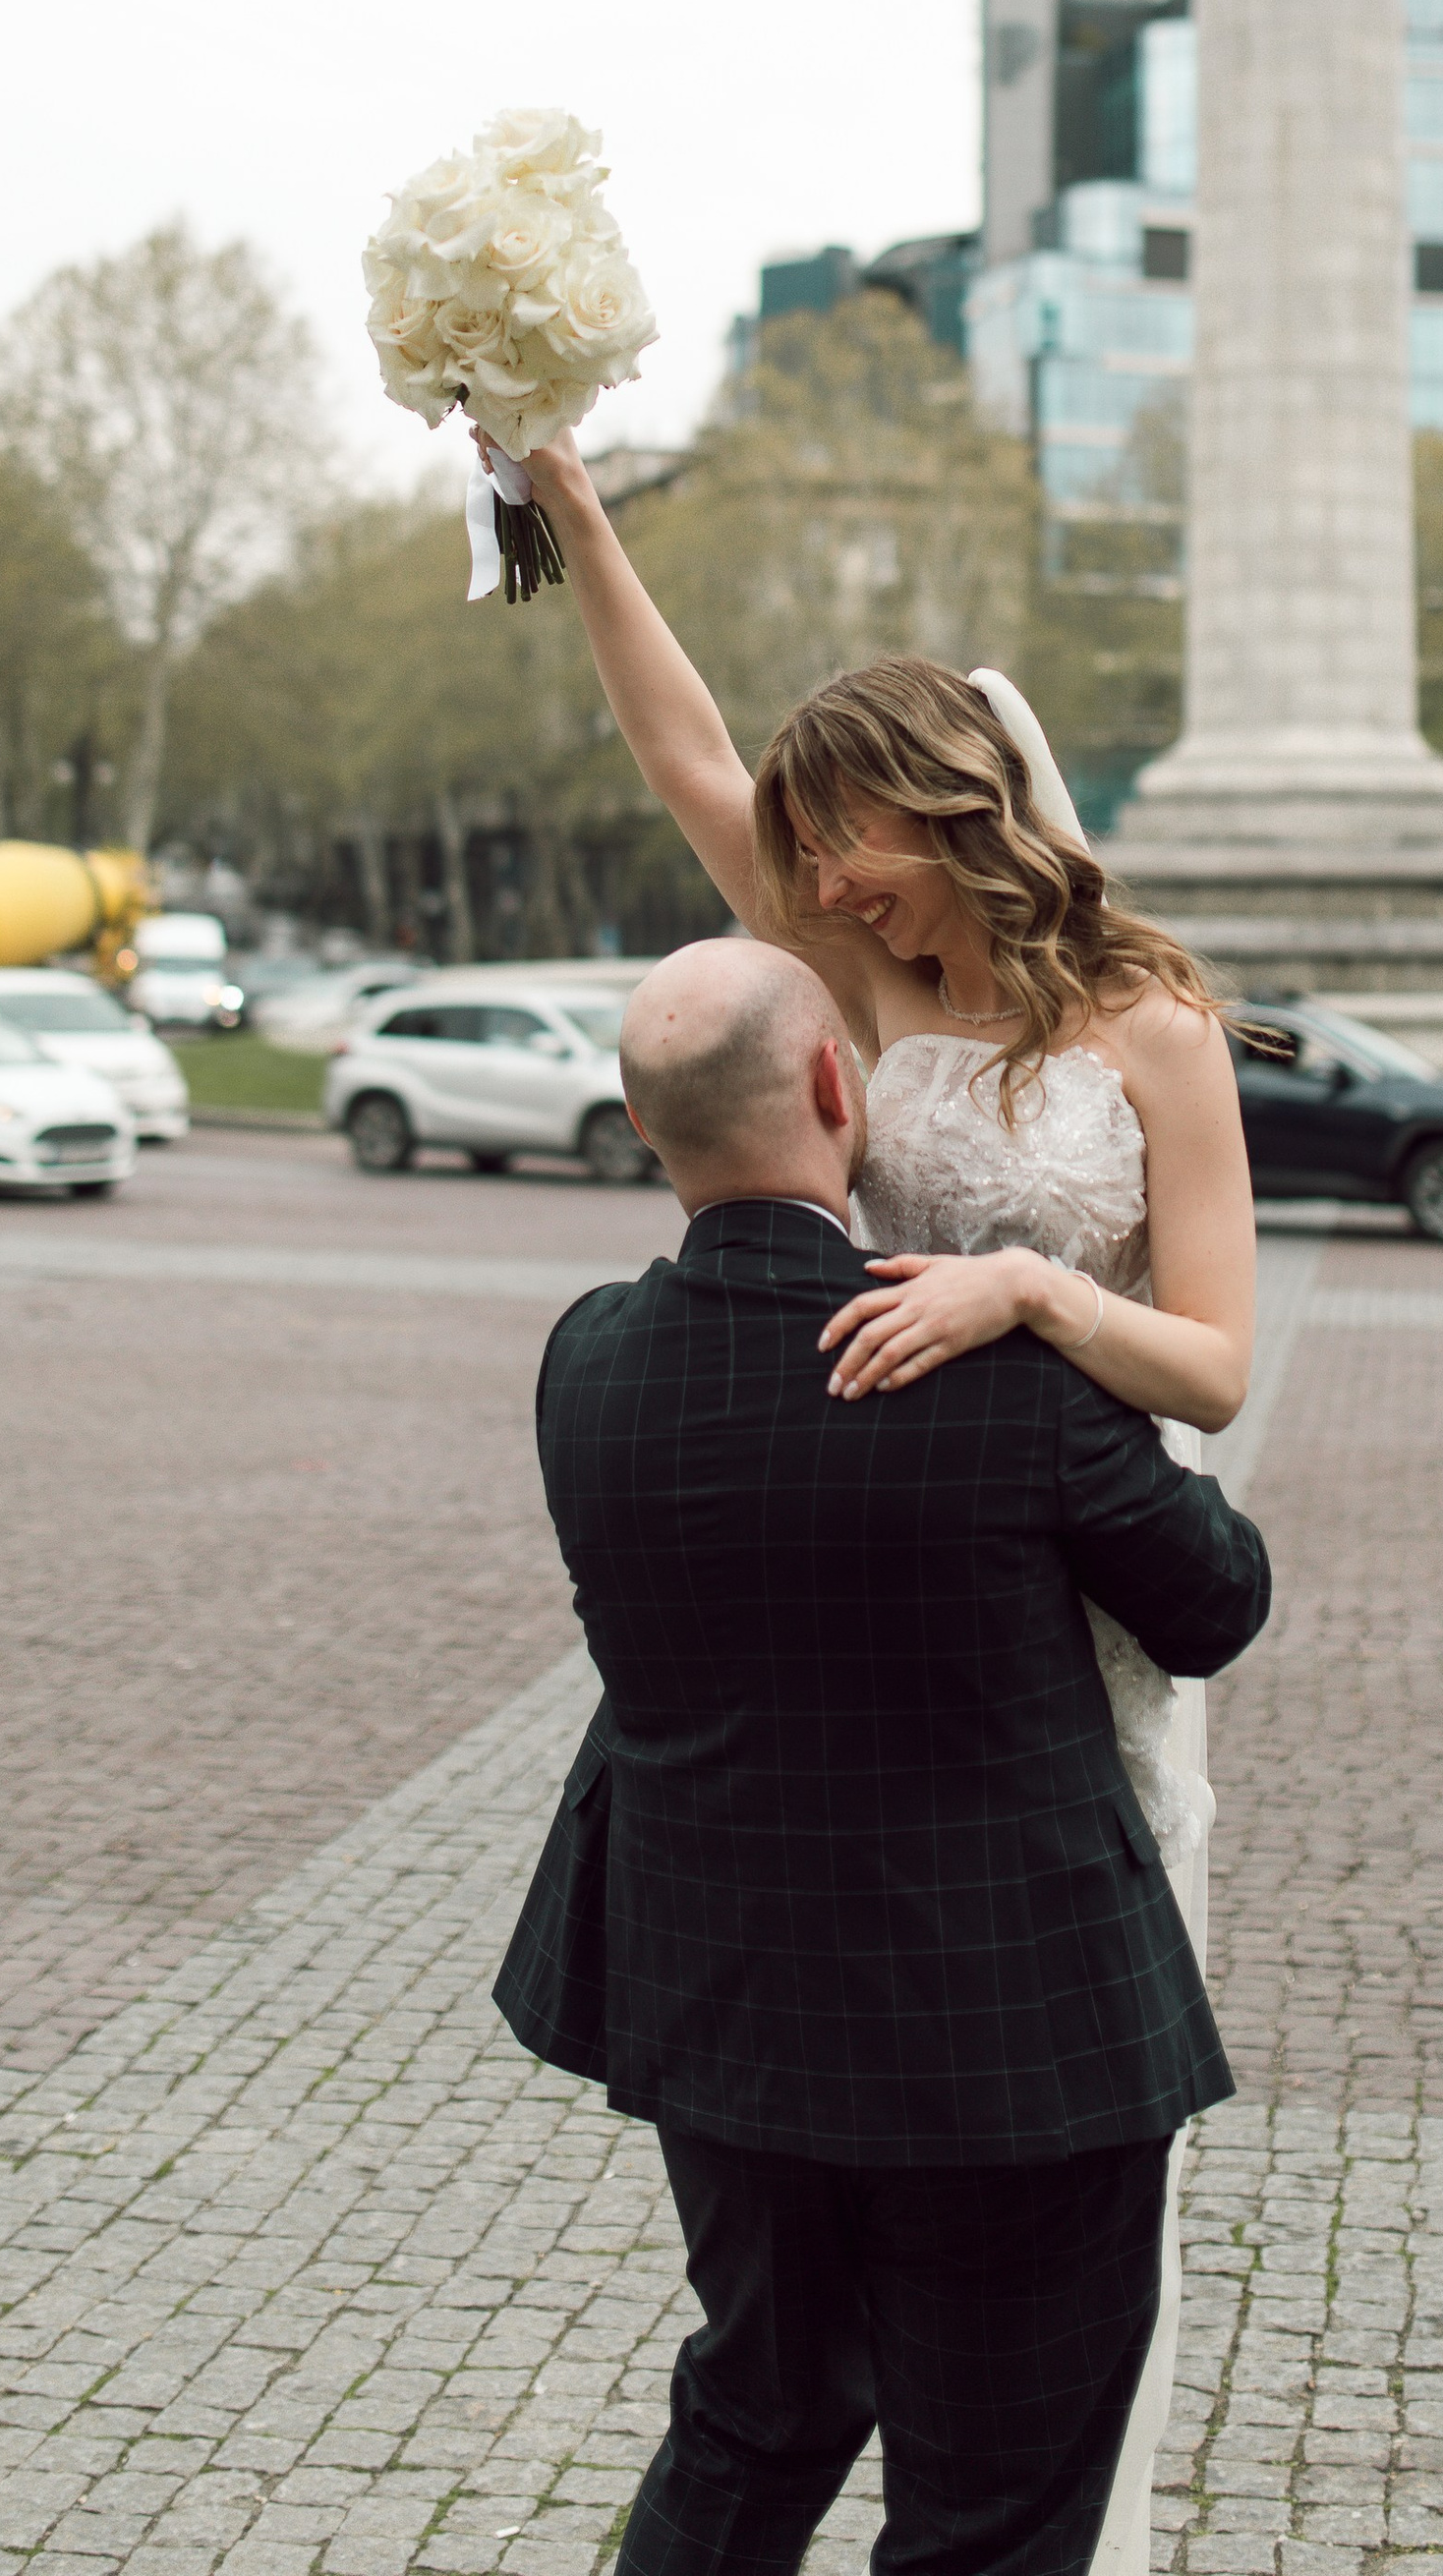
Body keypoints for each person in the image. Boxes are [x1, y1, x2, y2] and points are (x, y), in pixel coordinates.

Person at [495, 939, 1271, 2574]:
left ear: (644, 1131)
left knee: (755, 2415)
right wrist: (1069, 1319)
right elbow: (1215, 1604)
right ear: (837, 1086)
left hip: (722, 2015)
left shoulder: (588, 1362)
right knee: (995, 2508)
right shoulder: (1003, 1378)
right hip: (1014, 2037)